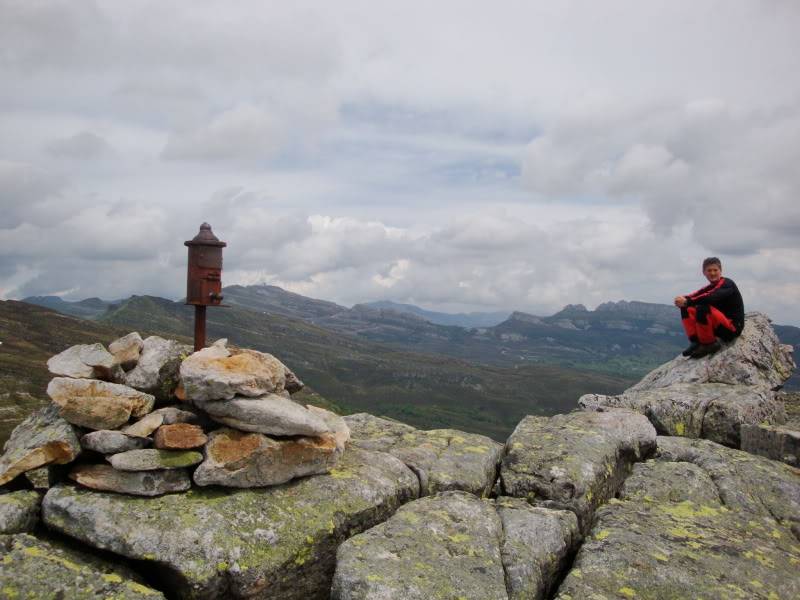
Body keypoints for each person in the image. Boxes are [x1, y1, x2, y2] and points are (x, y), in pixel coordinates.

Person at [674, 257, 744, 359]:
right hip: (720, 325)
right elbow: (696, 295)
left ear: (720, 271)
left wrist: (687, 301)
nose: (712, 273)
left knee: (702, 307)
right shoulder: (710, 287)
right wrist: (682, 299)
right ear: (704, 272)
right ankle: (696, 341)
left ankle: (709, 344)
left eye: (715, 270)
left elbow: (711, 297)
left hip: (732, 328)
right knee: (687, 308)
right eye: (709, 270)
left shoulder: (727, 284)